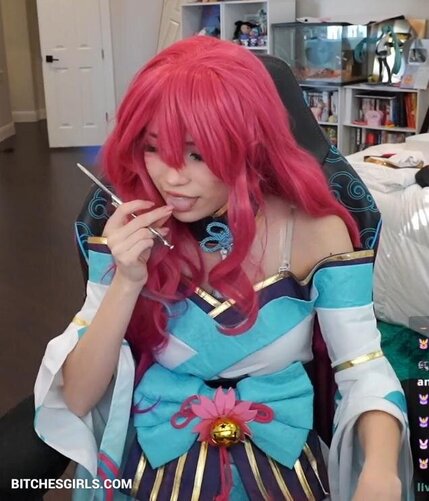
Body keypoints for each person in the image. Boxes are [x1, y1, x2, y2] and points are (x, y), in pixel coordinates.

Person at [33, 36, 413, 500]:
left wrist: (380, 471)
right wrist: (127, 281)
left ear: (251, 145)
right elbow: (77, 396)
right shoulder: (128, 232)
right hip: (152, 463)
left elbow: (362, 367)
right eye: (153, 148)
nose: (172, 177)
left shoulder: (316, 232)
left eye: (197, 154)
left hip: (281, 463)